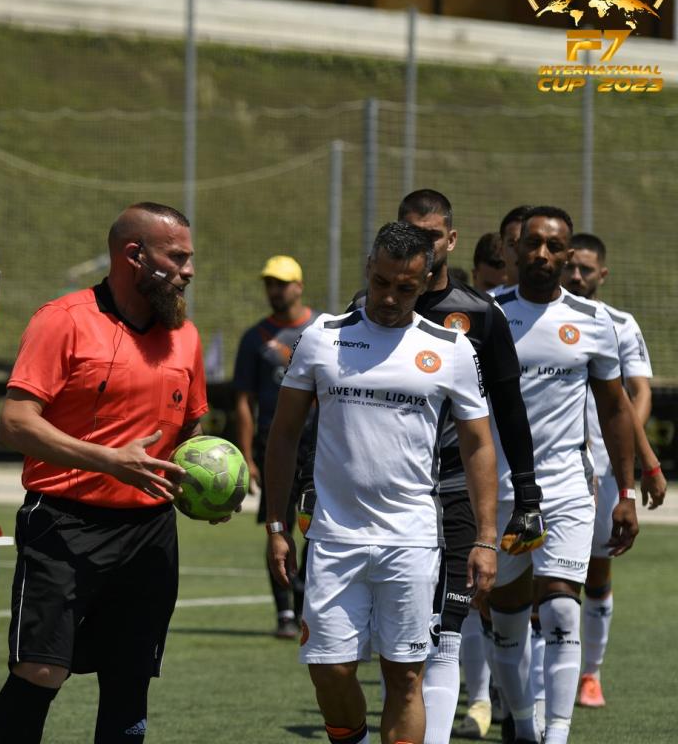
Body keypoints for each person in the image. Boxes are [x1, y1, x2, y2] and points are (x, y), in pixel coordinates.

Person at [266, 220, 499, 744]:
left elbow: (479, 446)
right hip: (333, 538)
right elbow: (283, 436)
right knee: (330, 670)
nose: (390, 297)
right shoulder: (322, 337)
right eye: (382, 282)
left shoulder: (452, 349)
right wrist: (277, 524)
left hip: (412, 540)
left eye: (406, 287)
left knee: (406, 677)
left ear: (427, 281)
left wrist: (486, 538)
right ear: (369, 268)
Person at [0, 201, 210, 743]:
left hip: (151, 532)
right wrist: (110, 460)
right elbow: (15, 424)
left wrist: (206, 483)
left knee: (129, 679)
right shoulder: (62, 320)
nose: (188, 270)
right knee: (40, 672)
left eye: (189, 258)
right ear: (134, 255)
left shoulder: (185, 336)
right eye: (177, 257)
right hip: (63, 525)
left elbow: (191, 431)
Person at [360, 190, 542, 744]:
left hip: (456, 489)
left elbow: (509, 410)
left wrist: (527, 495)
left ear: (451, 240)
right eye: (410, 232)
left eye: (432, 235)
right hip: (385, 500)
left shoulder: (481, 316)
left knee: (444, 633)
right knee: (392, 641)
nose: (421, 244)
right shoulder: (367, 308)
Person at [487, 207, 639, 744]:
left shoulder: (594, 322)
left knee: (559, 609)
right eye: (533, 243)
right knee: (506, 622)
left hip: (569, 487)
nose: (543, 254)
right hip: (500, 490)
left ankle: (556, 734)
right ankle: (522, 723)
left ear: (567, 254)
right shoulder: (487, 315)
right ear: (515, 248)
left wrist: (625, 490)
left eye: (554, 246)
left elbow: (615, 410)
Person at [561, 232, 666, 709]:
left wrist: (634, 451)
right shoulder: (544, 317)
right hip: (552, 466)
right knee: (544, 575)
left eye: (585, 269)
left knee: (598, 568)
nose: (576, 275)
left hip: (603, 468)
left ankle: (591, 674)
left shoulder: (620, 324)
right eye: (571, 266)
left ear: (602, 274)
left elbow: (637, 393)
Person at [232, 254, 319, 639]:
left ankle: (305, 606)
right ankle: (284, 612)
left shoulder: (321, 330)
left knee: (317, 530)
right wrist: (247, 454)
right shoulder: (255, 338)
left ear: (299, 286)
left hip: (318, 445)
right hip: (275, 445)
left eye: (282, 283)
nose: (275, 290)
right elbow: (243, 401)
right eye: (270, 283)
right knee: (277, 526)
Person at [499, 206, 530, 287]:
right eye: (512, 244)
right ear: (501, 250)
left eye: (528, 243)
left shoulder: (562, 295)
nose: (519, 250)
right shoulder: (487, 296)